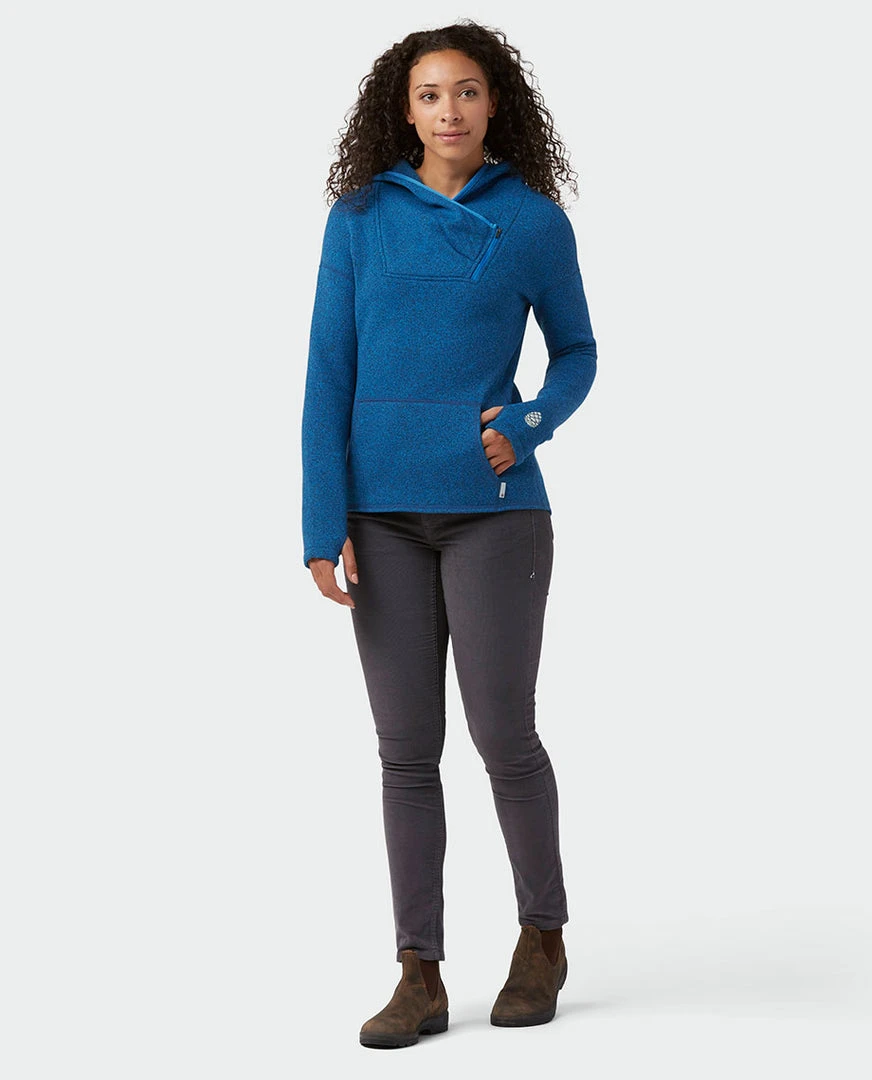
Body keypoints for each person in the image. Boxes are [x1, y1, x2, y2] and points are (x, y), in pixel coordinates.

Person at [301, 19, 597, 1049]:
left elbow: (577, 352)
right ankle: (418, 972)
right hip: (379, 520)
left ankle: (542, 938)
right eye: (429, 95)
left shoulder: (531, 222)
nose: (449, 111)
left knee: (503, 737)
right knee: (404, 752)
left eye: (466, 91)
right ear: (404, 109)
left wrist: (528, 422)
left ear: (494, 101)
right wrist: (320, 521)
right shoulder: (359, 218)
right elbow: (327, 374)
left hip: (495, 516)